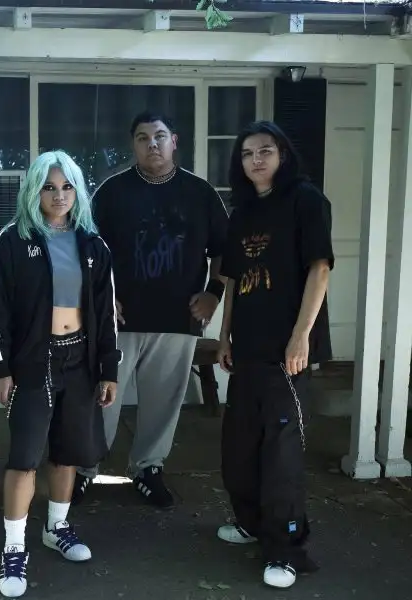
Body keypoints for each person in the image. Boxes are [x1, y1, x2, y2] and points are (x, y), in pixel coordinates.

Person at [0, 151, 120, 598]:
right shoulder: (11, 240)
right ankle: (14, 548)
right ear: (34, 191)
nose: (59, 195)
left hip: (79, 361)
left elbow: (105, 313)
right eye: (48, 187)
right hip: (32, 363)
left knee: (67, 452)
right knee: (24, 457)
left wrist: (108, 369)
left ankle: (56, 527)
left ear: (78, 191)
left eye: (66, 187)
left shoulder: (93, 245)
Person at [74, 112, 229, 508]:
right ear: (134, 145)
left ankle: (148, 469)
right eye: (142, 137)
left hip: (179, 319)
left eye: (160, 136)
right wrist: (102, 297)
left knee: (163, 402)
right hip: (118, 321)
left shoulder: (200, 193)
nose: (152, 144)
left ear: (174, 141)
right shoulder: (112, 192)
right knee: (101, 399)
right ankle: (84, 469)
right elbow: (88, 252)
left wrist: (213, 293)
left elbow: (224, 250)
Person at [216, 120, 332, 589]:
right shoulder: (243, 211)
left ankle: (286, 549)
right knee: (239, 447)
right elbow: (232, 282)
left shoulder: (306, 200)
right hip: (246, 348)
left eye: (265, 150)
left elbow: (319, 269)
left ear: (283, 154)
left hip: (287, 352)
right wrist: (224, 335)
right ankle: (251, 523)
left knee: (281, 454)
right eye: (247, 153)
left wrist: (301, 336)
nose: (256, 160)